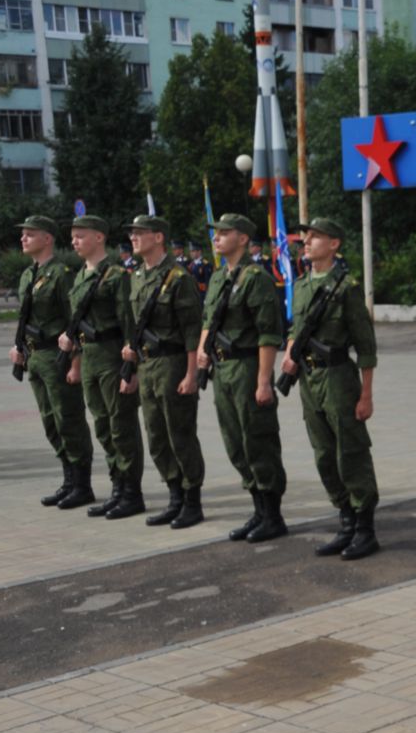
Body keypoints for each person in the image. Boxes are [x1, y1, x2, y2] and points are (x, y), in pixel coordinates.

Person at [285, 218, 382, 560]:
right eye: (306, 237)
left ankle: (365, 528)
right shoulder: (300, 285)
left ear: (335, 244)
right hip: (308, 380)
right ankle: (346, 521)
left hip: (339, 377)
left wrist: (366, 394)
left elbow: (366, 346)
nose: (307, 242)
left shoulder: (347, 287)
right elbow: (296, 329)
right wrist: (290, 351)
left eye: (315, 237)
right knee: (324, 454)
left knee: (350, 452)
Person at [198, 213, 289, 543]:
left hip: (248, 367)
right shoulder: (220, 276)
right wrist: (201, 352)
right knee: (235, 442)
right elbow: (209, 318)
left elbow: (268, 334)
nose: (217, 238)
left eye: (225, 233)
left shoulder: (256, 278)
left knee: (257, 440)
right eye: (216, 233)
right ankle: (258, 510)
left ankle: (273, 514)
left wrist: (264, 381)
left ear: (243, 239)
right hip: (222, 370)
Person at [121, 216, 206, 528]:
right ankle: (174, 496)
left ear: (158, 237)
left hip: (172, 364)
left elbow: (192, 331)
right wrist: (130, 360)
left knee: (180, 433)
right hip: (147, 365)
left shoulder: (178, 277)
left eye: (139, 233)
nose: (133, 238)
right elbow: (136, 325)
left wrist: (190, 373)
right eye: (132, 234)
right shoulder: (138, 275)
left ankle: (192, 499)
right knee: (156, 435)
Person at [8, 217, 97, 509]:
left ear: (47, 239)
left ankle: (82, 484)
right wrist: (18, 346)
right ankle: (68, 479)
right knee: (50, 422)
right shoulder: (27, 275)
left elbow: (75, 320)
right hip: (34, 358)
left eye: (30, 235)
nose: (23, 239)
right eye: (23, 235)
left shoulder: (62, 273)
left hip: (57, 358)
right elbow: (25, 317)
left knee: (68, 418)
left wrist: (75, 363)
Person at [62, 216, 146, 519]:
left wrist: (130, 368)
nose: (74, 242)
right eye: (73, 237)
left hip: (112, 359)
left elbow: (129, 324)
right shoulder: (80, 277)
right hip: (90, 360)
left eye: (80, 236)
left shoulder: (116, 275)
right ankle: (117, 487)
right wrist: (74, 360)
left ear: (99, 237)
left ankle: (131, 493)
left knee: (121, 426)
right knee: (102, 426)